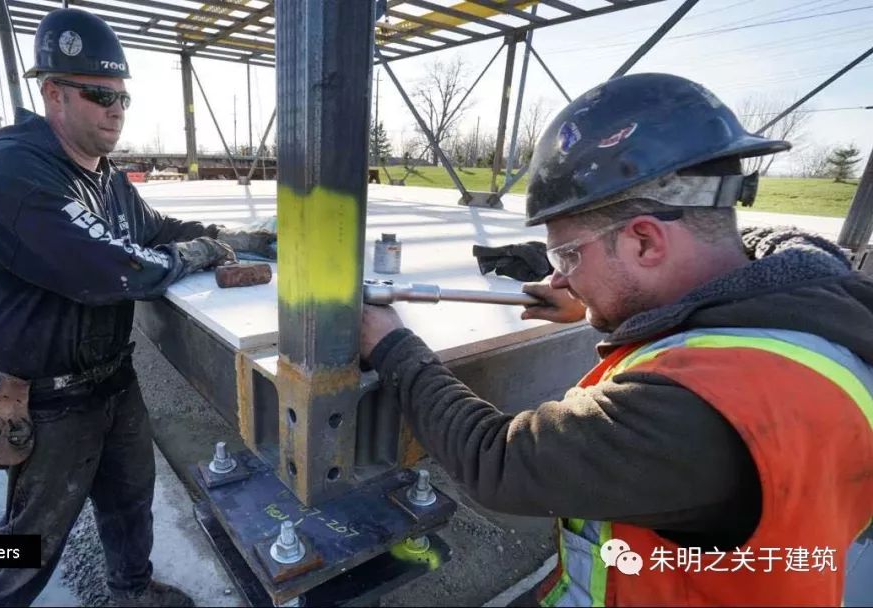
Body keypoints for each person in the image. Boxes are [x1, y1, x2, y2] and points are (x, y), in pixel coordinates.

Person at [359, 73, 873, 606]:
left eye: (568, 256)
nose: (558, 278)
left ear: (646, 240)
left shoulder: (698, 413)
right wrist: (602, 301)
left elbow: (497, 461)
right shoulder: (821, 309)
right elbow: (736, 285)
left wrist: (394, 347)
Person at [0, 8, 271, 607]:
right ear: (53, 93)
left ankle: (131, 593)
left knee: (130, 500)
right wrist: (199, 251)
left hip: (113, 380)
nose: (116, 109)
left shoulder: (106, 178)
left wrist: (244, 238)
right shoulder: (17, 172)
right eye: (99, 94)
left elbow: (158, 231)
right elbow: (116, 269)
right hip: (49, 399)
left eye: (122, 99)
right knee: (29, 544)